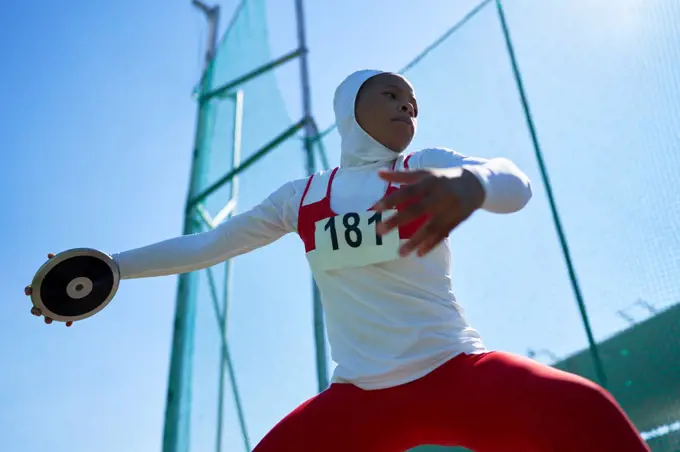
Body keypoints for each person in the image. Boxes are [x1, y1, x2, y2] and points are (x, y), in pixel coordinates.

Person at [25, 69, 649, 451]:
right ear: (351, 107)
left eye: (413, 99)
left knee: (584, 413)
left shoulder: (424, 165)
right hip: (360, 400)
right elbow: (208, 247)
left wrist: (472, 186)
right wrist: (111, 266)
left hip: (456, 372)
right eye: (391, 94)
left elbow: (515, 183)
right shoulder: (303, 197)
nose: (408, 105)